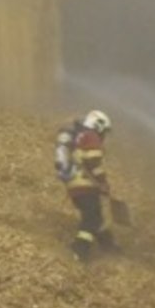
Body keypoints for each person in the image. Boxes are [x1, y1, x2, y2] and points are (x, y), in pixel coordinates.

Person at [55, 110, 116, 261]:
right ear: (99, 125)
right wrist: (103, 182)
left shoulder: (81, 136)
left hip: (76, 184)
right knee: (90, 218)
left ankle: (108, 246)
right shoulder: (91, 137)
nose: (104, 136)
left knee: (96, 216)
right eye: (105, 131)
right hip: (85, 184)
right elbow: (93, 161)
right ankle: (79, 250)